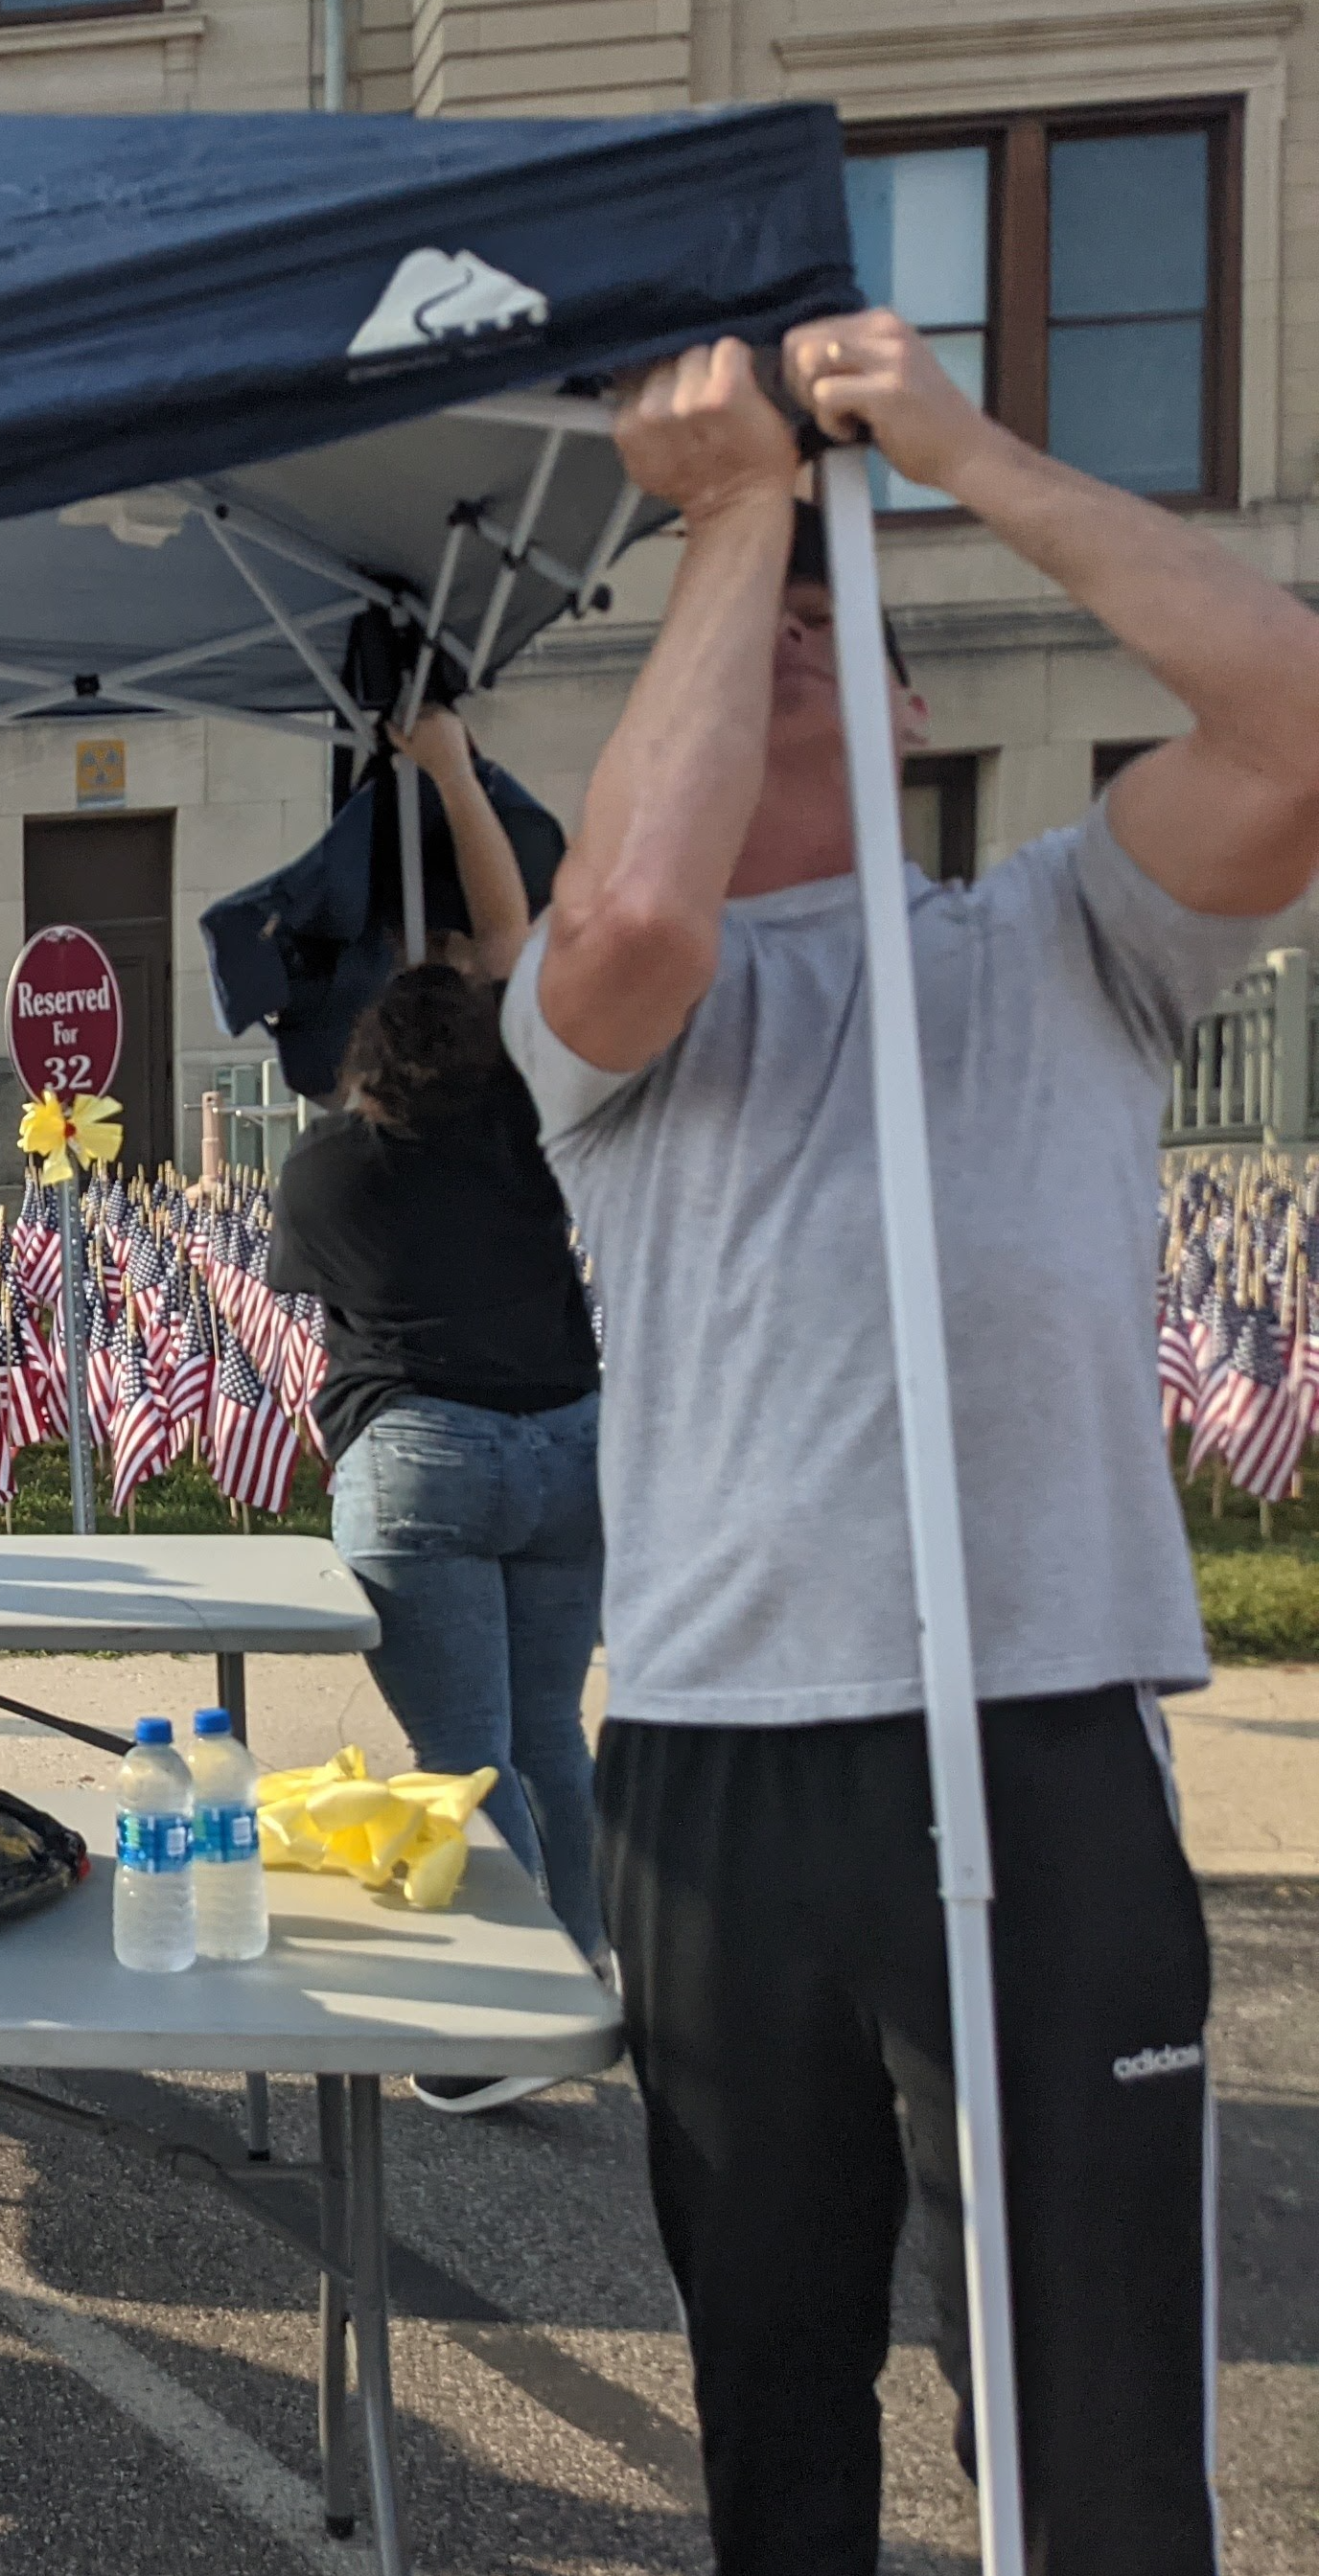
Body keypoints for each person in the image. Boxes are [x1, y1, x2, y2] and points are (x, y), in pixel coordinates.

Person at [514, 312, 1319, 2572]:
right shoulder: (607, 1020)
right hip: (721, 1764)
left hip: (1039, 1740)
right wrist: (738, 509)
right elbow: (637, 906)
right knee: (776, 2415)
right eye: (737, 629)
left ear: (910, 708)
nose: (786, 640)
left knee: (1094, 2456)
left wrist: (957, 450)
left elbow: (1295, 719)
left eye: (832, 634)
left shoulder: (1067, 935)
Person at [267, 706, 607, 2122]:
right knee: (546, 1741)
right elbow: (516, 948)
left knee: (464, 1763)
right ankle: (579, 1976)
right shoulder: (531, 1113)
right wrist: (456, 775)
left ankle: (500, 2019)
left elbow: (319, 1318)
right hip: (574, 1444)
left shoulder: (323, 1175)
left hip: (423, 1455)